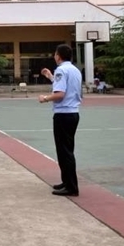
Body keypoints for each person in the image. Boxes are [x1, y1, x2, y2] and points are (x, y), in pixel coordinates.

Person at [39, 44, 82, 197]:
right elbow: (66, 87)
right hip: (73, 113)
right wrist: (51, 77)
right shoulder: (74, 70)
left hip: (63, 114)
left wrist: (45, 98)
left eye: (55, 54)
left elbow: (60, 94)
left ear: (58, 56)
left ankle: (71, 186)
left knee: (64, 151)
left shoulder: (61, 70)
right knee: (67, 149)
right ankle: (67, 181)